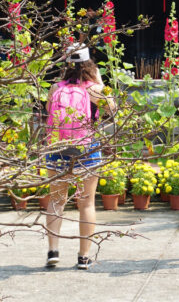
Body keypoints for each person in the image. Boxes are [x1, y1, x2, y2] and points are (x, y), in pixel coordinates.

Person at [44, 43, 115, 269]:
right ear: (89, 64)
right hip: (87, 148)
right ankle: (84, 257)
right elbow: (112, 110)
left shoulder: (56, 88)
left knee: (56, 201)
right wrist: (100, 83)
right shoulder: (95, 90)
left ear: (67, 64)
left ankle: (53, 251)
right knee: (86, 203)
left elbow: (48, 113)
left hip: (58, 147)